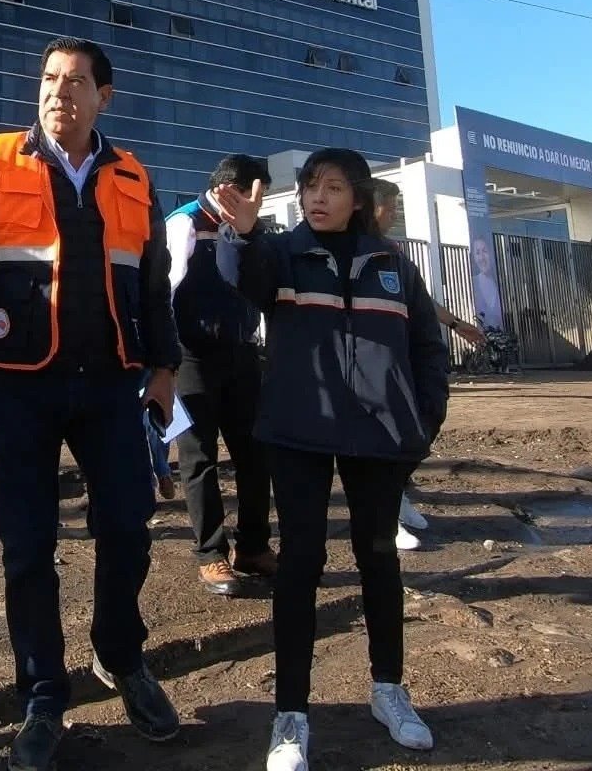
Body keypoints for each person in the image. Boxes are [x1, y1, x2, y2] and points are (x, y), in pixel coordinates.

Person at [0, 37, 182, 771]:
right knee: (27, 546)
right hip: (22, 381)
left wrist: (166, 364)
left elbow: (152, 281)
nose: (59, 91)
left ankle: (120, 656)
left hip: (112, 380)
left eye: (76, 81)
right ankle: (43, 694)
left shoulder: (133, 175)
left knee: (129, 528)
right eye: (49, 77)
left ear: (103, 96)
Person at [212, 149, 450, 771]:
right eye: (311, 185)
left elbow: (427, 345)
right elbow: (243, 277)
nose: (318, 196)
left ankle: (388, 690)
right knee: (301, 565)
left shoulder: (392, 263)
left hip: (378, 438)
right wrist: (241, 234)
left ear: (359, 197)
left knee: (378, 559)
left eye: (333, 186)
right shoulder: (283, 254)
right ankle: (291, 715)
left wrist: (422, 423)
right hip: (298, 433)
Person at [165, 154, 275, 596]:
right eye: (255, 194)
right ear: (233, 189)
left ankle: (253, 547)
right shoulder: (184, 223)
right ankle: (212, 555)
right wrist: (162, 361)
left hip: (242, 357)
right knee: (199, 459)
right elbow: (163, 290)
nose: (259, 204)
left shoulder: (251, 229)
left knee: (255, 454)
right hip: (192, 359)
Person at [371, 178, 486, 552]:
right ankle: (383, 516)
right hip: (372, 363)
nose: (396, 213)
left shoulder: (393, 251)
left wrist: (456, 324)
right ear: (374, 207)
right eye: (392, 206)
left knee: (425, 419)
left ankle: (396, 496)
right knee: (384, 438)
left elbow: (419, 297)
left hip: (408, 358)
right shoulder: (350, 251)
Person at [470, 236, 502, 329]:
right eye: (477, 253)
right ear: (474, 258)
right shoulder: (471, 284)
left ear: (492, 253)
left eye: (485, 251)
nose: (482, 258)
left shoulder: (502, 285)